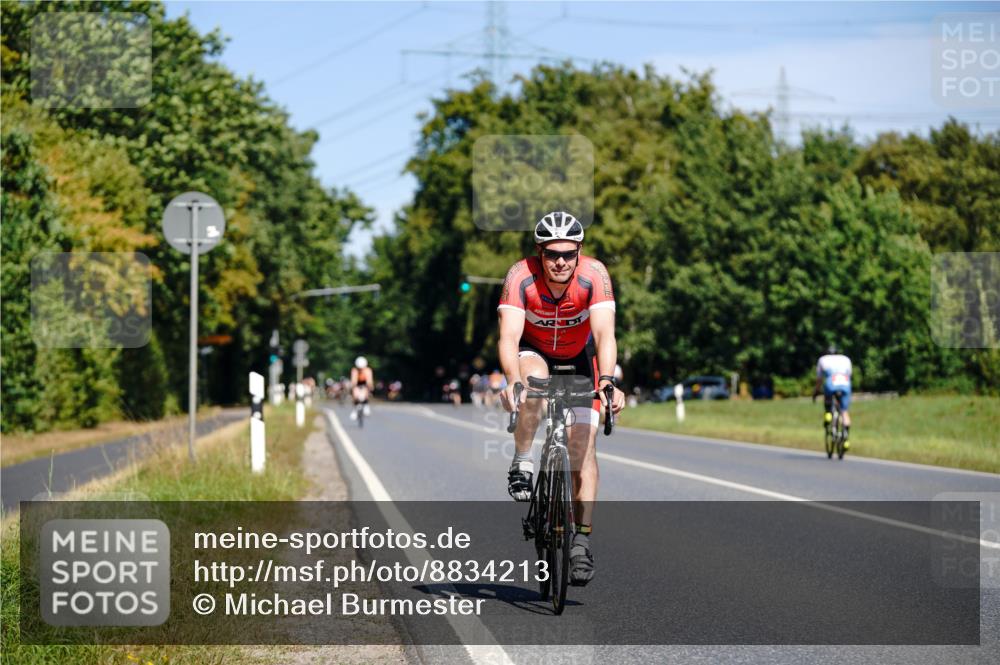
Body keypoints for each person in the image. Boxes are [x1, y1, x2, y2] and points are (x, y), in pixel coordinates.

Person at [497, 210, 625, 586]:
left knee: (583, 448)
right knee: (533, 382)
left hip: (579, 358)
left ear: (579, 252)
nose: (560, 262)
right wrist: (511, 382)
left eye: (569, 254)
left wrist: (607, 381)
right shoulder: (520, 275)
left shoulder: (594, 275)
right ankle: (521, 462)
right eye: (552, 254)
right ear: (539, 253)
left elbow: (604, 335)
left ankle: (581, 540)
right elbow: (507, 336)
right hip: (533, 351)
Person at [813, 345, 852, 449]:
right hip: (845, 384)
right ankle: (846, 439)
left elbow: (819, 379)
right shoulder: (845, 359)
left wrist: (816, 392)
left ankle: (828, 414)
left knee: (828, 399)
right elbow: (849, 375)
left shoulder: (823, 359)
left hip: (831, 383)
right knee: (844, 411)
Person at [350, 356, 374, 420]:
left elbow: (369, 381)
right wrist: (353, 387)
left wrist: (370, 387)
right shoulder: (354, 370)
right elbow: (353, 381)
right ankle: (355, 410)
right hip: (357, 385)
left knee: (366, 392)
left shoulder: (368, 370)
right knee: (355, 394)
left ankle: (366, 406)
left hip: (365, 385)